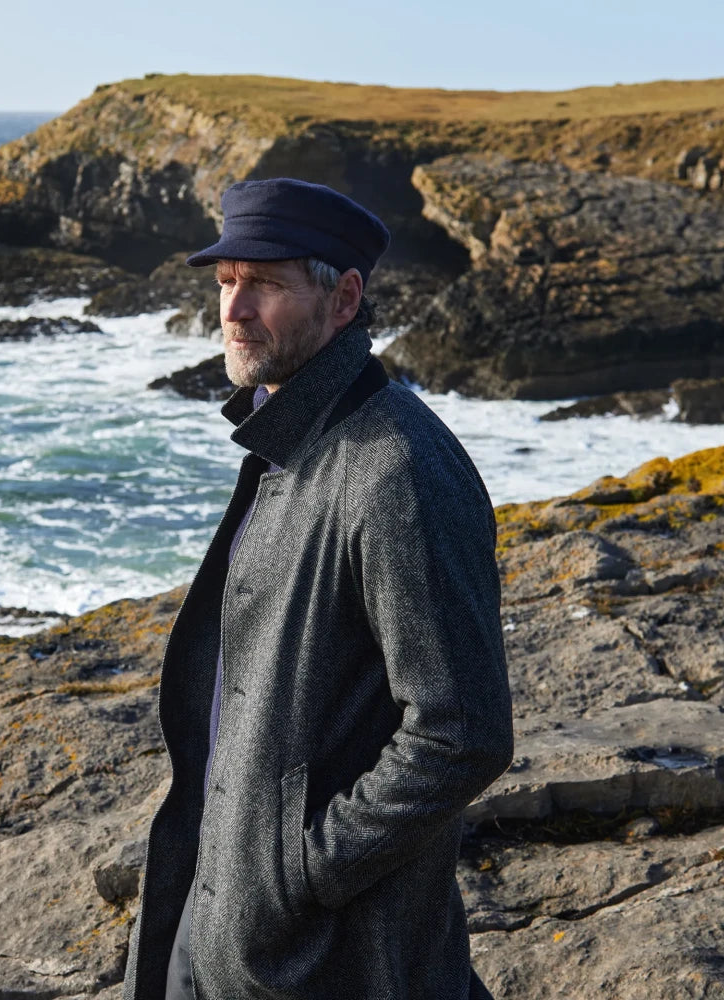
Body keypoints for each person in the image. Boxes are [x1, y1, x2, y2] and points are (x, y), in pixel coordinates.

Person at [120, 177, 515, 1000]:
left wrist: (297, 875)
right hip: (223, 931)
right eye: (226, 280)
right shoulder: (289, 440)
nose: (232, 310)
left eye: (264, 283)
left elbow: (461, 731)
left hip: (324, 961)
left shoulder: (395, 469)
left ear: (344, 299)